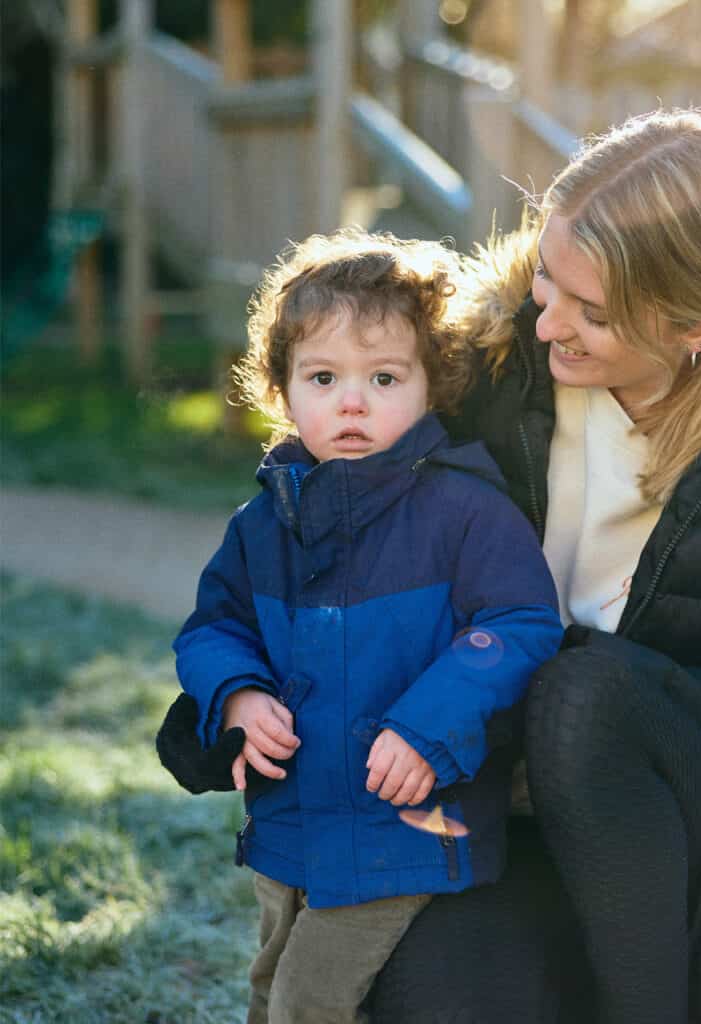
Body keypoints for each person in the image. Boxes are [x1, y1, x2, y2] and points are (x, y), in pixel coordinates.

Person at [158, 109, 701, 1023]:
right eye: (547, 279)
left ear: (698, 327)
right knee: (422, 997)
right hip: (475, 779)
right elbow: (342, 544)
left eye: (592, 311)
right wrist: (234, 709)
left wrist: (579, 695)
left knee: (581, 693)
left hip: (681, 809)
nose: (547, 323)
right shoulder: (487, 370)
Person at [165, 229, 563, 1023]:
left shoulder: (463, 509)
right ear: (283, 390)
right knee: (269, 986)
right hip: (291, 819)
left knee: (308, 1003)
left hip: (403, 830)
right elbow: (213, 628)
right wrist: (238, 699)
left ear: (430, 385)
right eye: (323, 377)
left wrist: (429, 727)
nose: (353, 401)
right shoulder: (263, 523)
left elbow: (521, 623)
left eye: (384, 376)